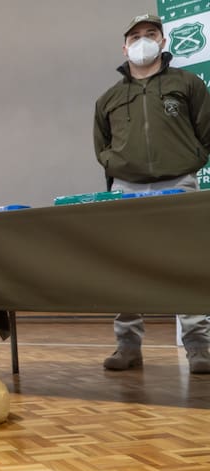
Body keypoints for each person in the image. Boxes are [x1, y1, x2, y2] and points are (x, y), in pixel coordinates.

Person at [93, 13, 210, 374]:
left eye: (150, 33)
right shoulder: (109, 98)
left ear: (162, 41)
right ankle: (128, 347)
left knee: (184, 264)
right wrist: (117, 163)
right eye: (135, 36)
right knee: (125, 266)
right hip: (126, 190)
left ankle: (200, 348)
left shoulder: (188, 84)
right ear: (125, 46)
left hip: (178, 184)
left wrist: (191, 158)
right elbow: (102, 146)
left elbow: (206, 131)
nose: (143, 40)